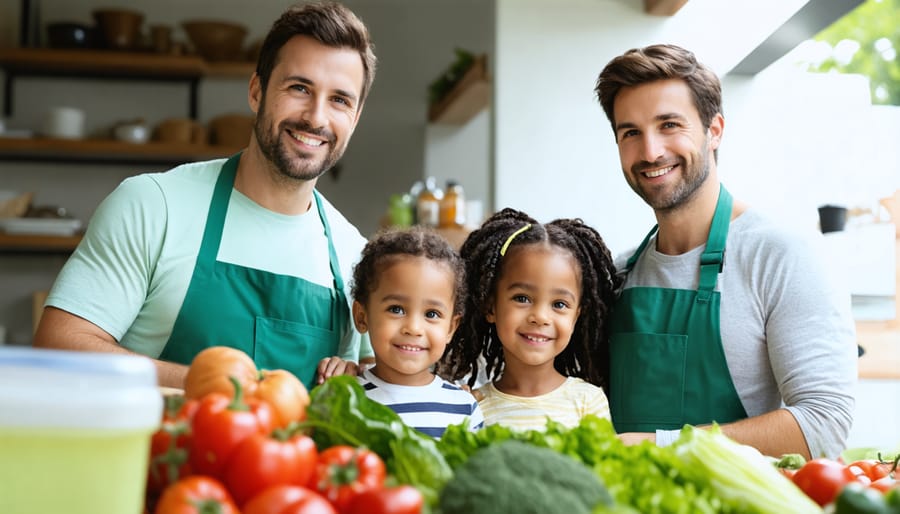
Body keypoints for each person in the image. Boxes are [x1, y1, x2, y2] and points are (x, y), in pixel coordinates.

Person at [32, 2, 378, 390]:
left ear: (356, 117)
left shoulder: (356, 256)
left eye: (339, 100)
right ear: (256, 91)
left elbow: (383, 387)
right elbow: (59, 348)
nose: (316, 117)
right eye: (299, 88)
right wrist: (208, 381)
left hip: (293, 454)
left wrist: (358, 378)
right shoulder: (153, 206)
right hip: (163, 451)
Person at [594, 43, 857, 459]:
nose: (650, 152)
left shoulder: (781, 254)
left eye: (669, 125)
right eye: (631, 133)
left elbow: (823, 425)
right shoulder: (619, 272)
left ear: (714, 129)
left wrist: (660, 446)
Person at [438, 208, 621, 432]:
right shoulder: (472, 405)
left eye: (559, 304)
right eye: (522, 298)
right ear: (490, 307)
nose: (541, 317)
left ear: (576, 316)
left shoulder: (588, 402)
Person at [319, 226, 484, 438]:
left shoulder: (463, 407)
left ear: (451, 328)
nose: (414, 328)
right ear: (362, 316)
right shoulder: (346, 400)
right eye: (396, 309)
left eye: (432, 314)